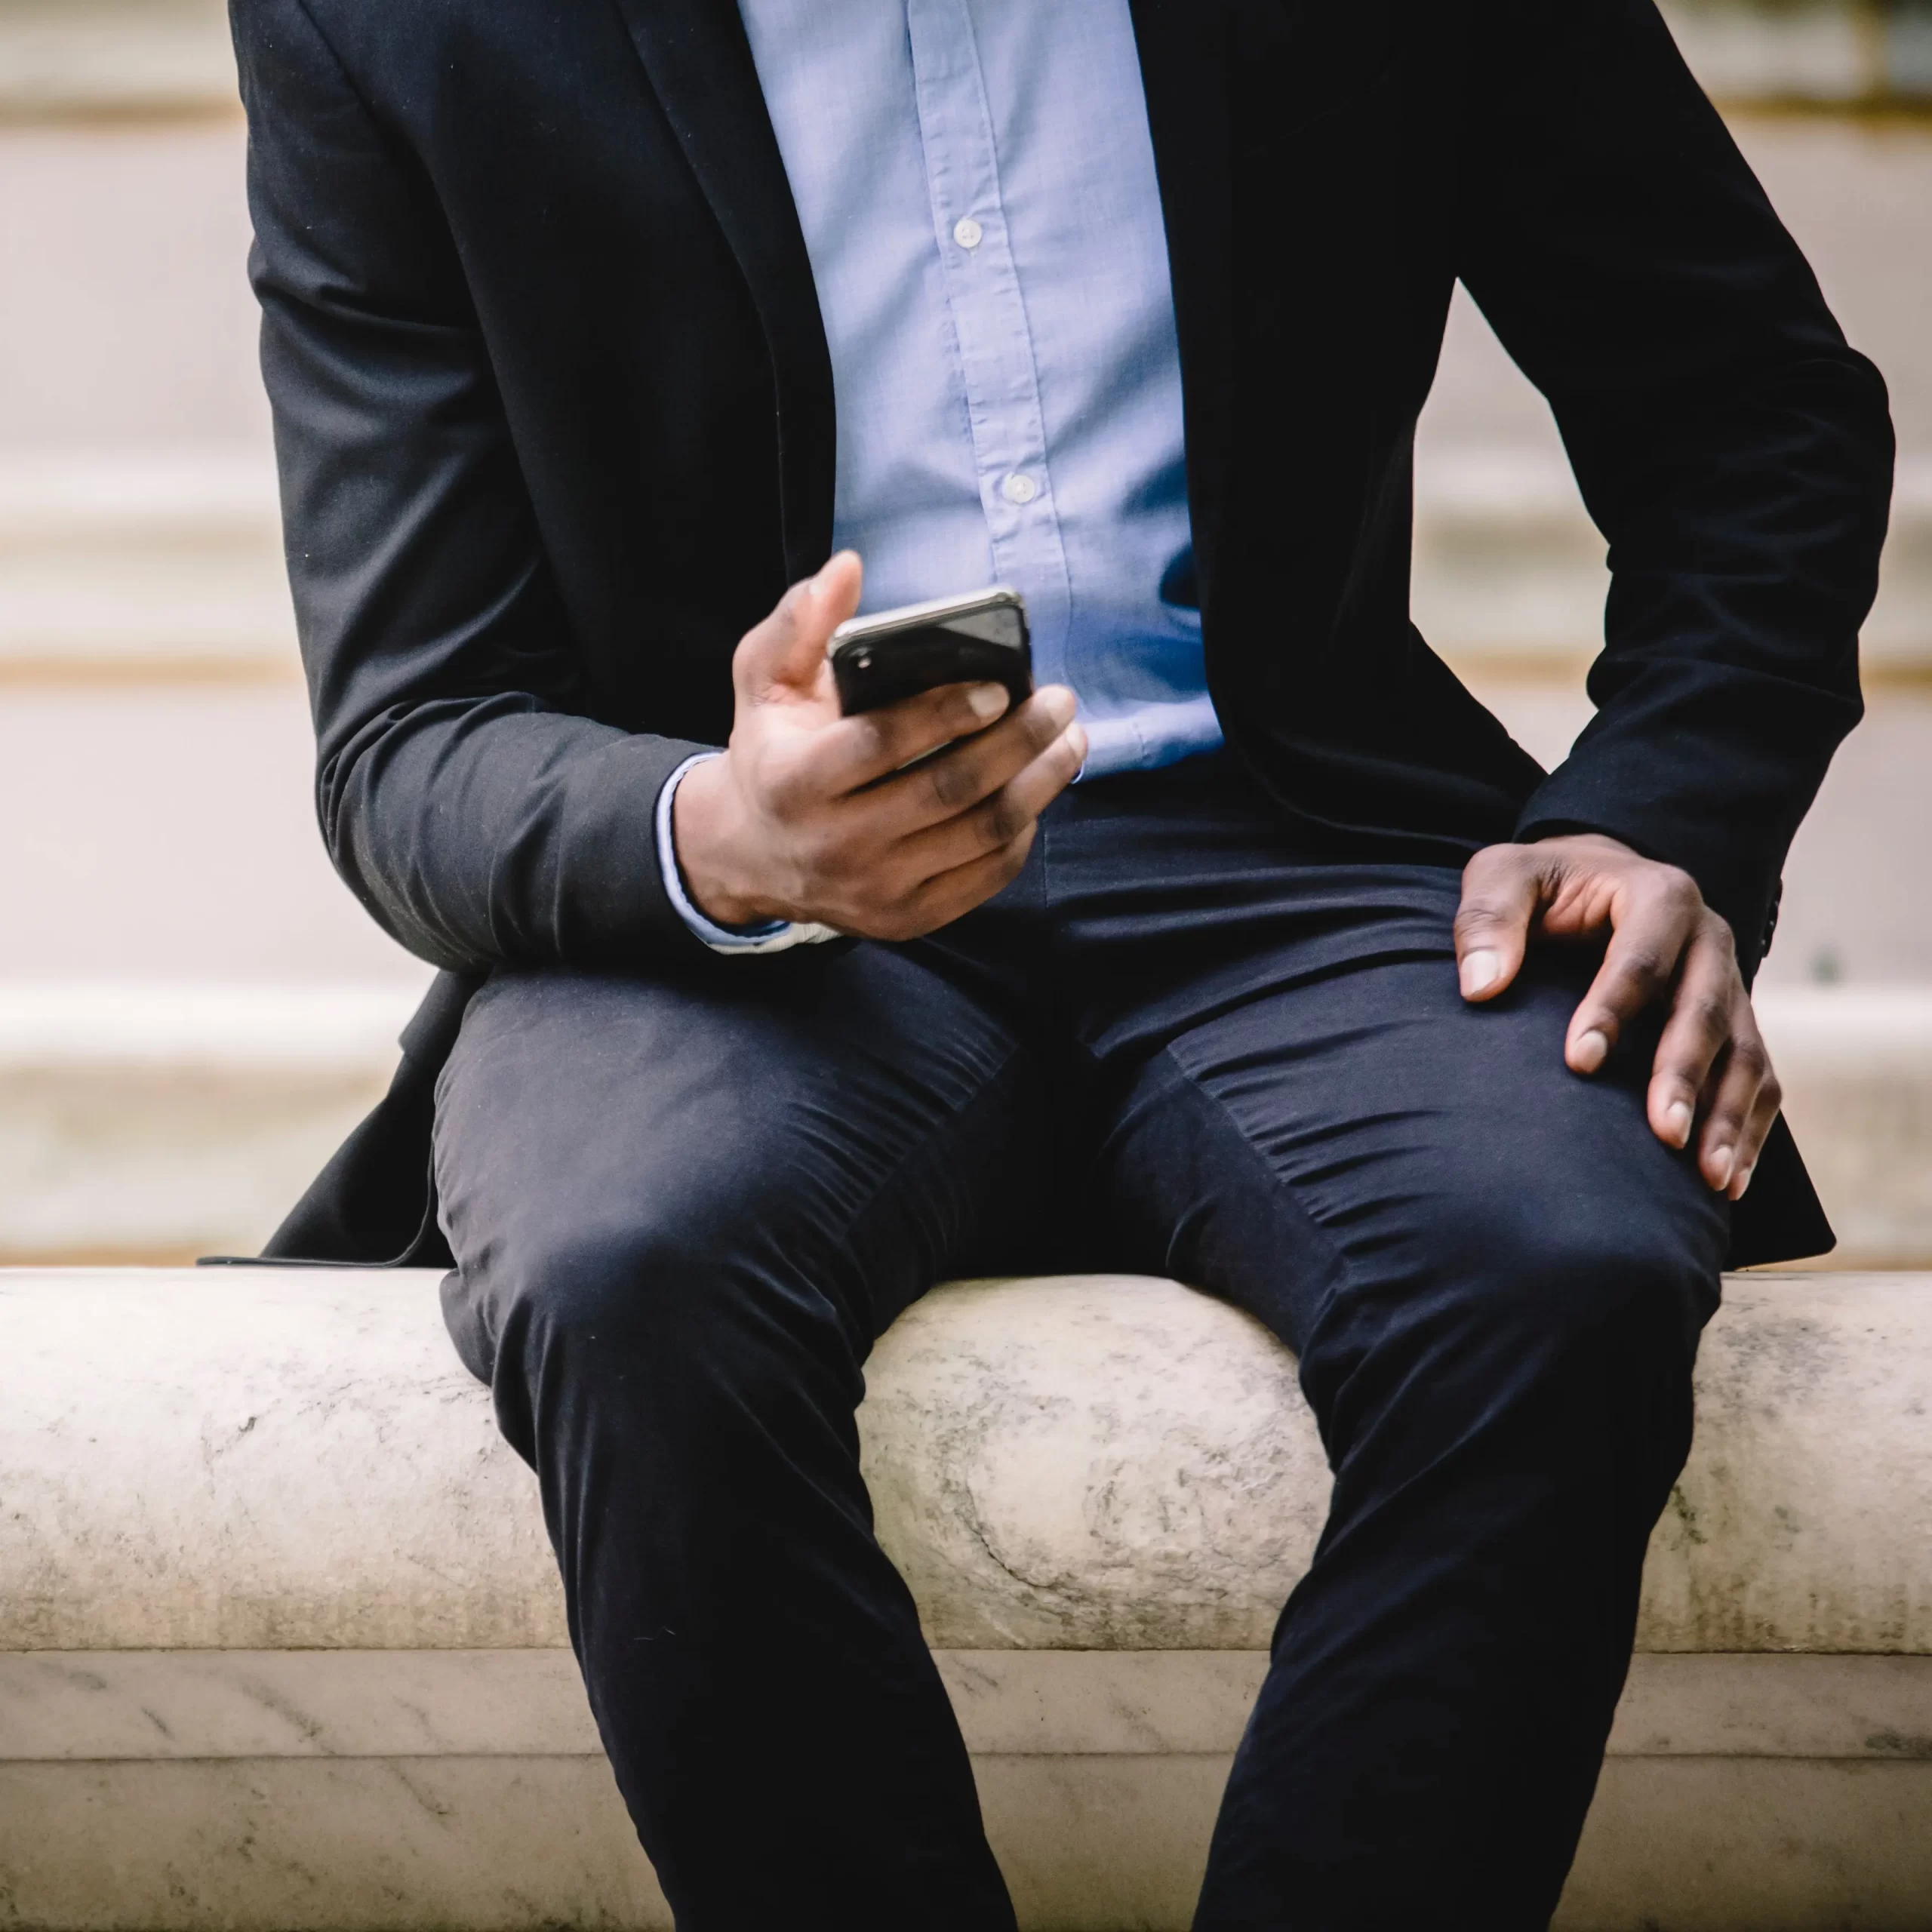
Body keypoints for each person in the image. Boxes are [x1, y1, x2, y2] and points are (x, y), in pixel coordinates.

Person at [228, 0, 1891, 1924]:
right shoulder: (392, 23)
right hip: (748, 919)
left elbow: (1750, 409)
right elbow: (413, 732)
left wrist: (1661, 810)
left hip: (1298, 854)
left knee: (1561, 1261)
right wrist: (725, 831)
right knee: (628, 1268)